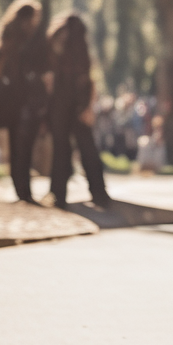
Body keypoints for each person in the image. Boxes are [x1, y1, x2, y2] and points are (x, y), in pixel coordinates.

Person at [0, 0, 50, 203]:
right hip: (22, 100)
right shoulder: (27, 39)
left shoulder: (6, 34)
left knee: (16, 145)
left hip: (11, 101)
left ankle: (21, 189)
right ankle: (23, 191)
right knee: (23, 147)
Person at [46, 13, 110, 208]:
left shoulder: (56, 51)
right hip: (79, 107)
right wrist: (88, 107)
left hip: (60, 106)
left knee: (61, 149)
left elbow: (51, 82)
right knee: (87, 148)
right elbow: (90, 82)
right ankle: (99, 193)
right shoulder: (84, 54)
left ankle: (58, 194)